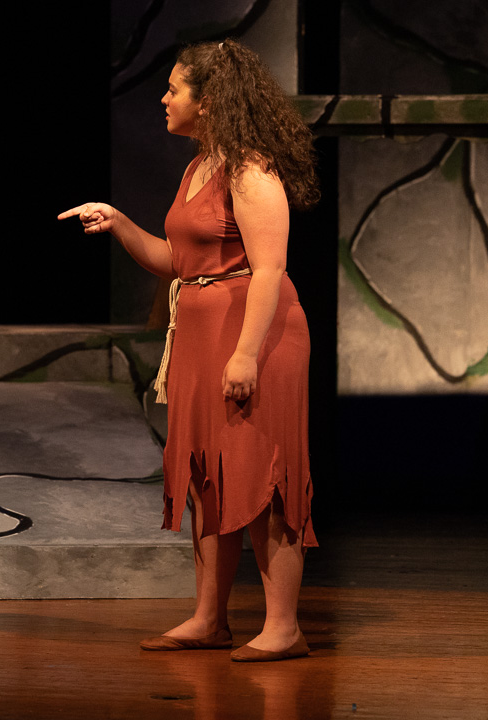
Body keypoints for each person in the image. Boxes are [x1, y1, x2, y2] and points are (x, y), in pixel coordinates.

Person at [59, 39, 319, 662]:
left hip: (256, 335)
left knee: (263, 475)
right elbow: (178, 262)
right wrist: (118, 222)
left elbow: (269, 268)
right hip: (201, 335)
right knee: (208, 475)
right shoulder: (199, 167)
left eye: (174, 88)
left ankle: (283, 627)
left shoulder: (249, 170)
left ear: (208, 101)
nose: (164, 98)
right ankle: (209, 619)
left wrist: (246, 355)